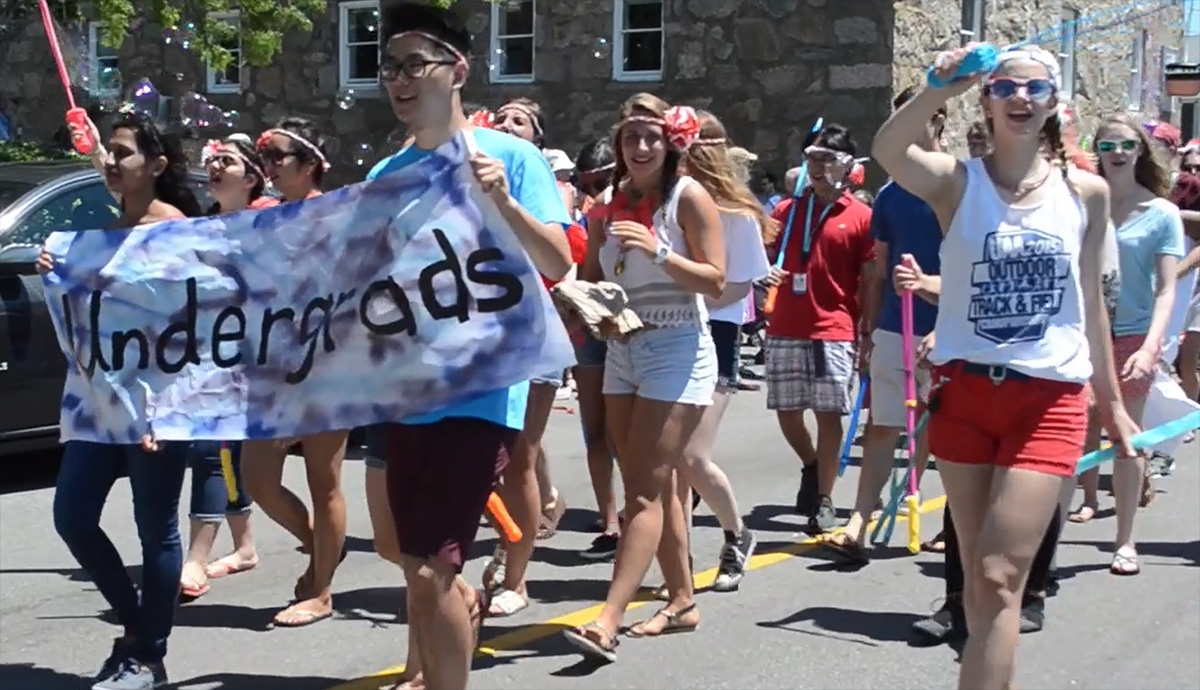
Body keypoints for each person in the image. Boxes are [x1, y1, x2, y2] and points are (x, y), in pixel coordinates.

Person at [871, 43, 1140, 690]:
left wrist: (1115, 408)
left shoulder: (1087, 192)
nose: (1021, 98)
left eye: (1035, 88)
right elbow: (888, 150)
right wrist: (940, 84)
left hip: (1047, 401)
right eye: (1007, 88)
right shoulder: (956, 183)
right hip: (965, 395)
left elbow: (1088, 311)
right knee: (976, 588)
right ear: (988, 100)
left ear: (1055, 104)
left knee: (998, 574)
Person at [369, 3, 573, 688]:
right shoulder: (385, 174)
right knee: (417, 566)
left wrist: (504, 204)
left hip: (484, 390)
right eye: (389, 67)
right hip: (407, 393)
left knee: (432, 567)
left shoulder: (510, 158)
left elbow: (560, 262)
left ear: (456, 70)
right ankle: (436, 652)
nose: (399, 80)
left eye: (414, 65)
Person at [42, 106, 203, 690]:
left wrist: (171, 407)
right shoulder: (106, 234)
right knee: (73, 517)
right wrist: (60, 268)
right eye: (108, 149)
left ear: (156, 165)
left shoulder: (178, 233)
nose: (111, 160)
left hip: (157, 409)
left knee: (154, 528)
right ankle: (139, 630)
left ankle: (146, 653)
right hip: (99, 404)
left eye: (124, 151)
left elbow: (198, 331)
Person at [563, 93, 725, 661]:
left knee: (642, 491)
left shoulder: (688, 197)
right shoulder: (605, 203)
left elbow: (715, 281)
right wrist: (582, 306)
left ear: (670, 144)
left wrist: (658, 252)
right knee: (649, 483)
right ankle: (682, 600)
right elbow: (588, 280)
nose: (639, 146)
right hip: (623, 347)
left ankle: (607, 619)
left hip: (678, 344)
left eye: (651, 136)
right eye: (630, 137)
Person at [824, 86, 944, 562]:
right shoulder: (892, 194)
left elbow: (970, 259)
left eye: (920, 118)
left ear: (938, 120)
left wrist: (946, 317)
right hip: (896, 324)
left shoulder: (958, 184)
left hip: (946, 325)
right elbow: (879, 264)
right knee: (883, 424)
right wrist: (869, 328)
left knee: (943, 426)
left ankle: (953, 518)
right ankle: (858, 520)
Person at [241, 117, 350, 628]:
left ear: (310, 165)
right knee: (257, 478)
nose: (268, 166)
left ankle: (322, 588)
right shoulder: (260, 216)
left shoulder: (335, 216)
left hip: (327, 363)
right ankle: (321, 549)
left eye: (277, 157)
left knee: (322, 480)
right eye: (264, 157)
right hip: (271, 364)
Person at [1069, 115, 1184, 574]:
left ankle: (1125, 540)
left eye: (1126, 145)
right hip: (1080, 335)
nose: (1117, 152)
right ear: (1096, 151)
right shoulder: (1080, 204)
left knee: (1127, 439)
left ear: (1140, 152)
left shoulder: (1161, 214)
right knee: (1075, 432)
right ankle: (1050, 537)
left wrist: (1151, 347)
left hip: (1133, 335)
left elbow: (1166, 289)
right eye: (1108, 144)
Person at [672, 110, 770, 591]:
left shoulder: (738, 214)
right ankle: (678, 561)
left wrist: (692, 292)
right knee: (665, 457)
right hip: (666, 331)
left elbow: (737, 286)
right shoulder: (667, 203)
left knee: (692, 454)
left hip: (716, 331)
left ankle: (738, 533)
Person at [483, 95, 573, 617]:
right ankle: (531, 517)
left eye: (520, 119)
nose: (506, 123)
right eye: (501, 117)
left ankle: (517, 576)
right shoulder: (473, 175)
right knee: (489, 456)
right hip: (482, 332)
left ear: (537, 136)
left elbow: (564, 256)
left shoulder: (541, 182)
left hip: (533, 329)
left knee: (521, 452)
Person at [762, 124, 875, 533]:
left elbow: (870, 277)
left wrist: (867, 332)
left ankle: (825, 498)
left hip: (835, 326)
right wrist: (763, 279)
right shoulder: (786, 211)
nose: (818, 167)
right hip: (786, 323)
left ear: (846, 166)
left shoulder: (861, 216)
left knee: (829, 414)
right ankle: (812, 465)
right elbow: (762, 258)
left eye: (827, 159)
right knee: (788, 411)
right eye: (812, 158)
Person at [178, 135, 277, 600]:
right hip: (206, 354)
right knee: (221, 452)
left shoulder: (270, 222)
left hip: (253, 356)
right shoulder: (201, 224)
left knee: (212, 450)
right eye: (213, 160)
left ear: (253, 177)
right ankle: (244, 546)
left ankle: (195, 559)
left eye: (228, 161)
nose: (215, 166)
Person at [573, 138, 621, 560]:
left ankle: (640, 512)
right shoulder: (597, 211)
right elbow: (589, 267)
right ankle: (609, 520)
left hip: (631, 323)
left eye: (601, 182)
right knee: (595, 428)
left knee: (626, 430)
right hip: (596, 318)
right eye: (586, 185)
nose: (594, 192)